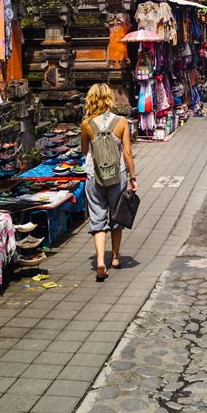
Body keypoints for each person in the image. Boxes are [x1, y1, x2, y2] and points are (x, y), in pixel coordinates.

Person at [81, 83, 137, 281]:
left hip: (93, 176)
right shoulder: (122, 122)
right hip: (118, 174)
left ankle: (100, 262)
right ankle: (114, 258)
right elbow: (128, 153)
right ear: (109, 99)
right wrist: (133, 177)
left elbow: (85, 151)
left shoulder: (87, 123)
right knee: (117, 215)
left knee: (97, 217)